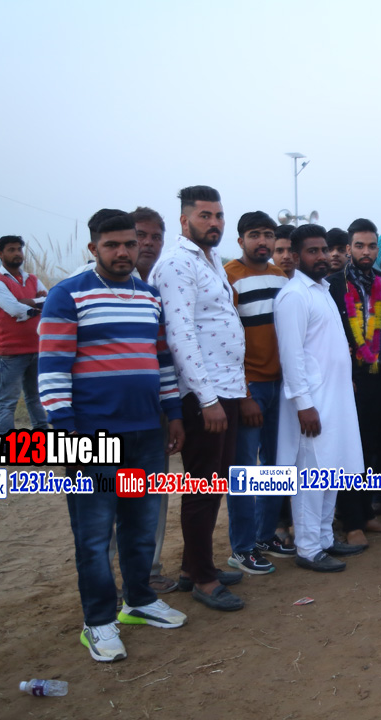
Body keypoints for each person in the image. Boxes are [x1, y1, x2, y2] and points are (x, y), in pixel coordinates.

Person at [39, 212, 186, 662]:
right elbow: (52, 368)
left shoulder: (149, 296)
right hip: (92, 435)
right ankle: (99, 621)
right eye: (112, 245)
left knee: (141, 526)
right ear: (94, 248)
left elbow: (161, 360)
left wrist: (173, 414)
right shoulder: (68, 294)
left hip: (146, 431)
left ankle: (138, 601)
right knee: (94, 534)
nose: (123, 252)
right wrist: (65, 433)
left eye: (130, 243)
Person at [150, 185, 245, 612]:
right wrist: (207, 400)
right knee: (202, 487)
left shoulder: (210, 260)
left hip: (227, 387)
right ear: (184, 220)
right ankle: (205, 580)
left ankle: (194, 566)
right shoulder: (176, 263)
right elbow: (180, 334)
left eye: (218, 215)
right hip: (204, 394)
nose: (214, 223)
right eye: (205, 215)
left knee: (214, 483)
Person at [275, 223, 367, 572]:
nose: (322, 256)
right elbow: (292, 355)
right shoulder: (294, 296)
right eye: (312, 251)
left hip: (335, 398)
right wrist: (304, 404)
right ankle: (308, 548)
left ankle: (325, 538)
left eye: (324, 250)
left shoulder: (322, 290)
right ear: (296, 256)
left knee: (332, 470)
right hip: (312, 403)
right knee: (311, 477)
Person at [224, 211, 295, 572]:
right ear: (241, 241)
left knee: (277, 465)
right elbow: (225, 341)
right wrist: (244, 394)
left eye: (268, 234)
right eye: (254, 235)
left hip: (280, 385)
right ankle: (241, 547)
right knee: (244, 471)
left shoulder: (280, 276)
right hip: (249, 386)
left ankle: (265, 535)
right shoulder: (228, 277)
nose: (262, 241)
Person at [326, 218, 381, 545]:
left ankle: (367, 514)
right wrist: (344, 376)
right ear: (349, 248)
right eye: (359, 246)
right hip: (347, 381)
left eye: (371, 246)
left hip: (379, 379)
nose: (366, 252)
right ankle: (351, 522)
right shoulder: (332, 286)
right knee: (347, 452)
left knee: (372, 449)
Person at [0, 235, 48, 434]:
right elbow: (14, 309)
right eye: (11, 250)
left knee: (35, 397)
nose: (17, 253)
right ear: (0, 254)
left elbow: (50, 301)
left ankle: (42, 435)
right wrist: (34, 305)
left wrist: (29, 303)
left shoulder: (32, 279)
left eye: (19, 249)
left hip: (36, 348)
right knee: (8, 401)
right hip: (10, 352)